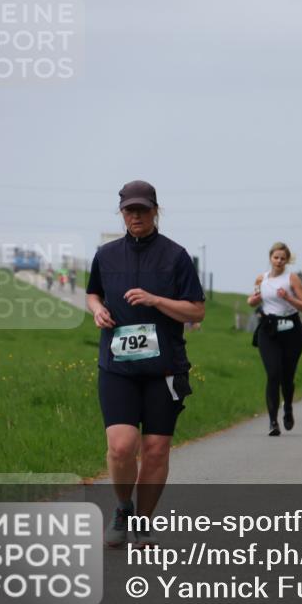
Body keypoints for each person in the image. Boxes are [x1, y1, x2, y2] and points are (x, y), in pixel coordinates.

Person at [86, 180, 205, 548]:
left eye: (142, 209)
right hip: (118, 366)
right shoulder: (105, 255)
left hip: (164, 368)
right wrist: (98, 310)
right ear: (121, 212)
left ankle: (143, 523)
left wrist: (156, 300)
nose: (135, 216)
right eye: (128, 210)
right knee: (122, 446)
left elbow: (196, 309)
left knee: (155, 448)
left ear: (156, 210)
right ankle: (123, 509)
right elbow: (92, 292)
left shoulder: (176, 256)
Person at [247, 242, 302, 436]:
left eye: (283, 258)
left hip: (291, 330)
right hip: (269, 330)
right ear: (270, 258)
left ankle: (288, 407)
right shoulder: (261, 278)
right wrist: (255, 299)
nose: (279, 261)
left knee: (287, 377)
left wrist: (288, 298)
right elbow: (252, 300)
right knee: (273, 374)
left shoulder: (291, 279)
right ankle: (273, 421)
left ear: (287, 260)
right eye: (276, 257)